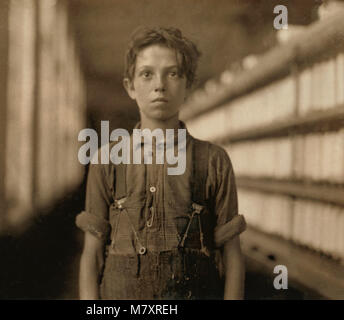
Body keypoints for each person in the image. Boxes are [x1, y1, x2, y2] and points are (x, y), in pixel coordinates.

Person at [76, 26, 245, 300]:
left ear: (187, 85)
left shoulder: (214, 161)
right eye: (146, 74)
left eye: (173, 73)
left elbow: (232, 256)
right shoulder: (106, 160)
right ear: (130, 87)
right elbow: (92, 255)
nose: (159, 85)